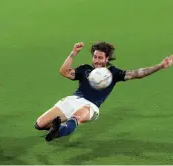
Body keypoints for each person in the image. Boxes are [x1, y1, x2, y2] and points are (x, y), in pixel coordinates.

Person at [34, 41, 173, 142]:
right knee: (40, 124)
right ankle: (56, 129)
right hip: (73, 100)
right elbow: (64, 71)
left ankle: (59, 131)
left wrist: (160, 66)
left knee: (78, 116)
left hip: (91, 106)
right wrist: (73, 53)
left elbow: (138, 73)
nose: (97, 61)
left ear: (107, 58)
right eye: (95, 57)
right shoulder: (84, 69)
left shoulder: (113, 73)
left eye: (100, 58)